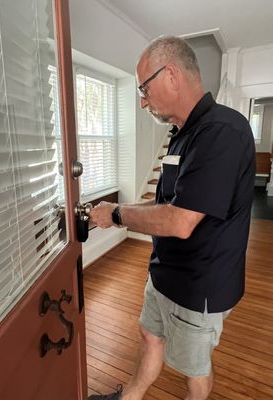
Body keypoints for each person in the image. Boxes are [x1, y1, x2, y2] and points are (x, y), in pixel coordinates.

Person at [88, 36, 255, 400]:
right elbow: (165, 203)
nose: (142, 100)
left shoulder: (222, 132)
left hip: (200, 285)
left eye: (143, 88)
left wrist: (117, 213)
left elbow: (180, 221)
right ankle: (128, 397)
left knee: (193, 369)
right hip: (165, 273)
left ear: (172, 75)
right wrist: (115, 216)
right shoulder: (181, 135)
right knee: (150, 336)